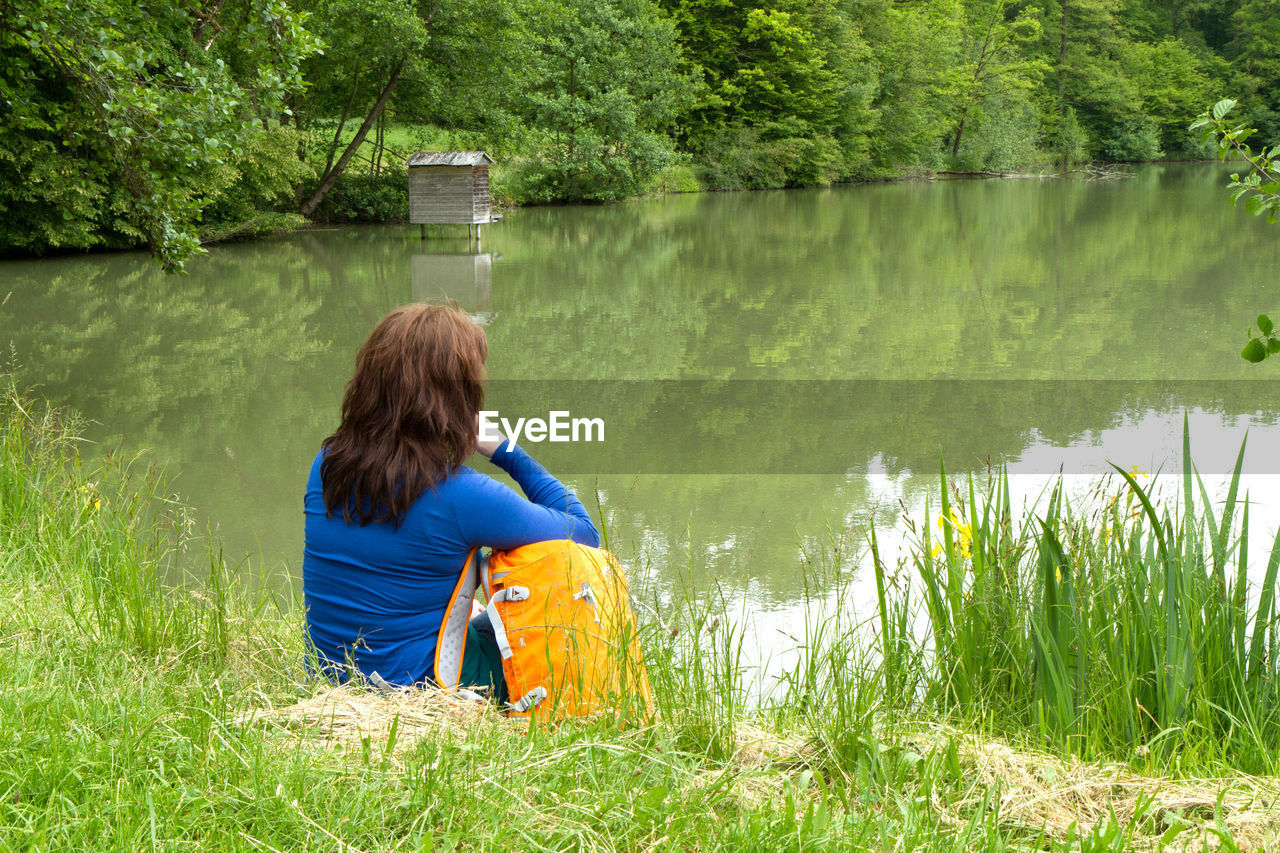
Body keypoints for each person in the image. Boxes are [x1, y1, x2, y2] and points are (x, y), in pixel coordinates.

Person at [302, 304, 600, 699]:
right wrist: (506, 450)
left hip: (329, 675)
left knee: (474, 611)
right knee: (553, 627)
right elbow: (583, 533)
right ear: (455, 399)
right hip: (418, 687)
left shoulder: (325, 465)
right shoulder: (460, 494)